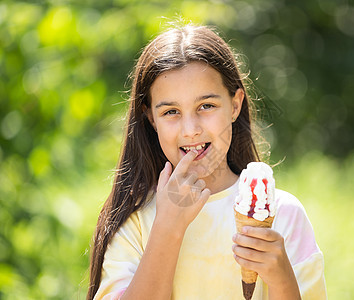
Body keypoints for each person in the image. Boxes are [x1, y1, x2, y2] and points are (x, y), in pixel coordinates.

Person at [87, 24, 326, 300]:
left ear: (235, 105)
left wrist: (282, 279)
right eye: (171, 111)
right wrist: (167, 228)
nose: (190, 129)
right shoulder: (136, 221)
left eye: (206, 106)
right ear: (151, 118)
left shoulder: (284, 215)